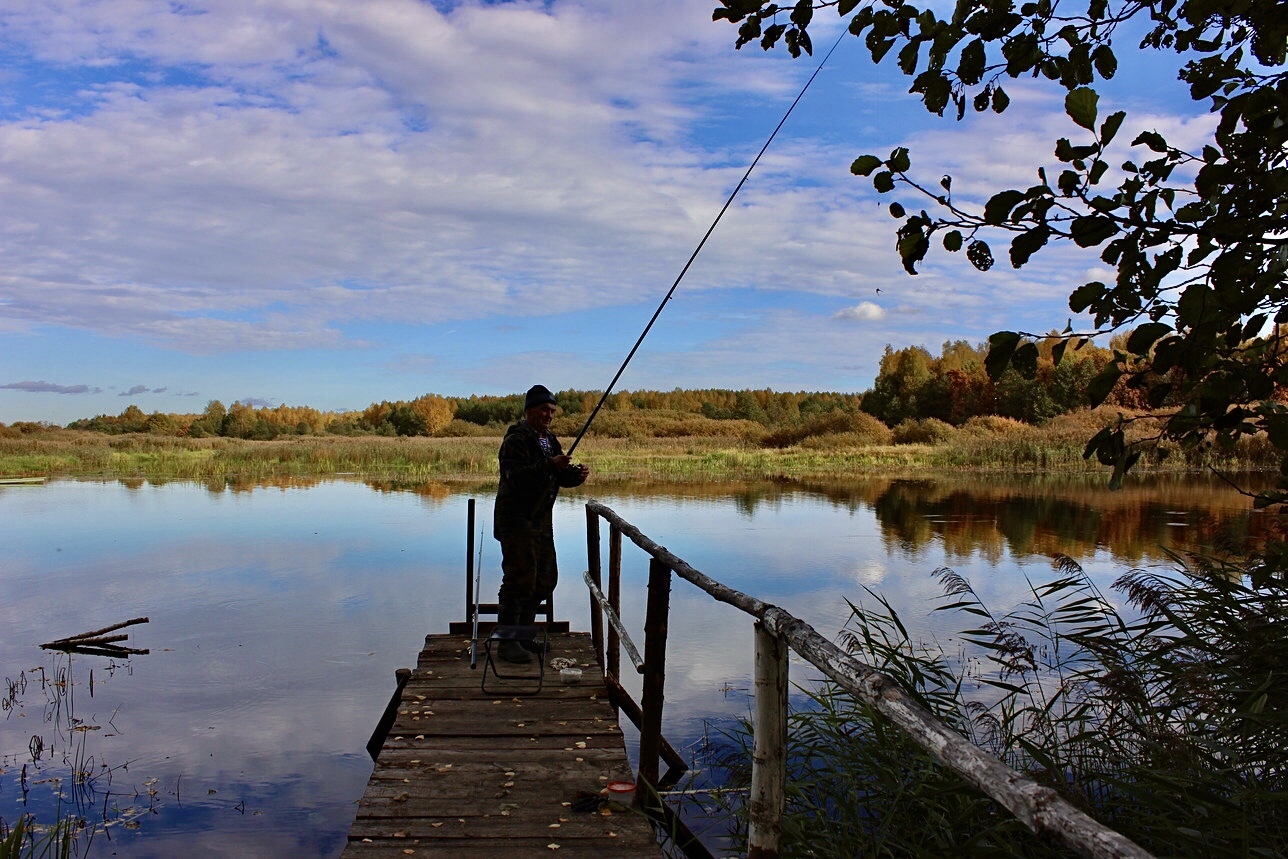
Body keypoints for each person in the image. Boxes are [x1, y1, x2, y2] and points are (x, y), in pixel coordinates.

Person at [493, 384, 590, 663]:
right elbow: (518, 477)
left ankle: (524, 637)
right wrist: (551, 466)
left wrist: (575, 475)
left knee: (544, 579)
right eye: (544, 410)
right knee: (519, 579)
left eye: (552, 411)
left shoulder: (549, 439)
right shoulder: (516, 440)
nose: (549, 415)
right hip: (516, 522)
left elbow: (557, 477)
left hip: (539, 522)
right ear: (529, 411)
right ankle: (508, 644)